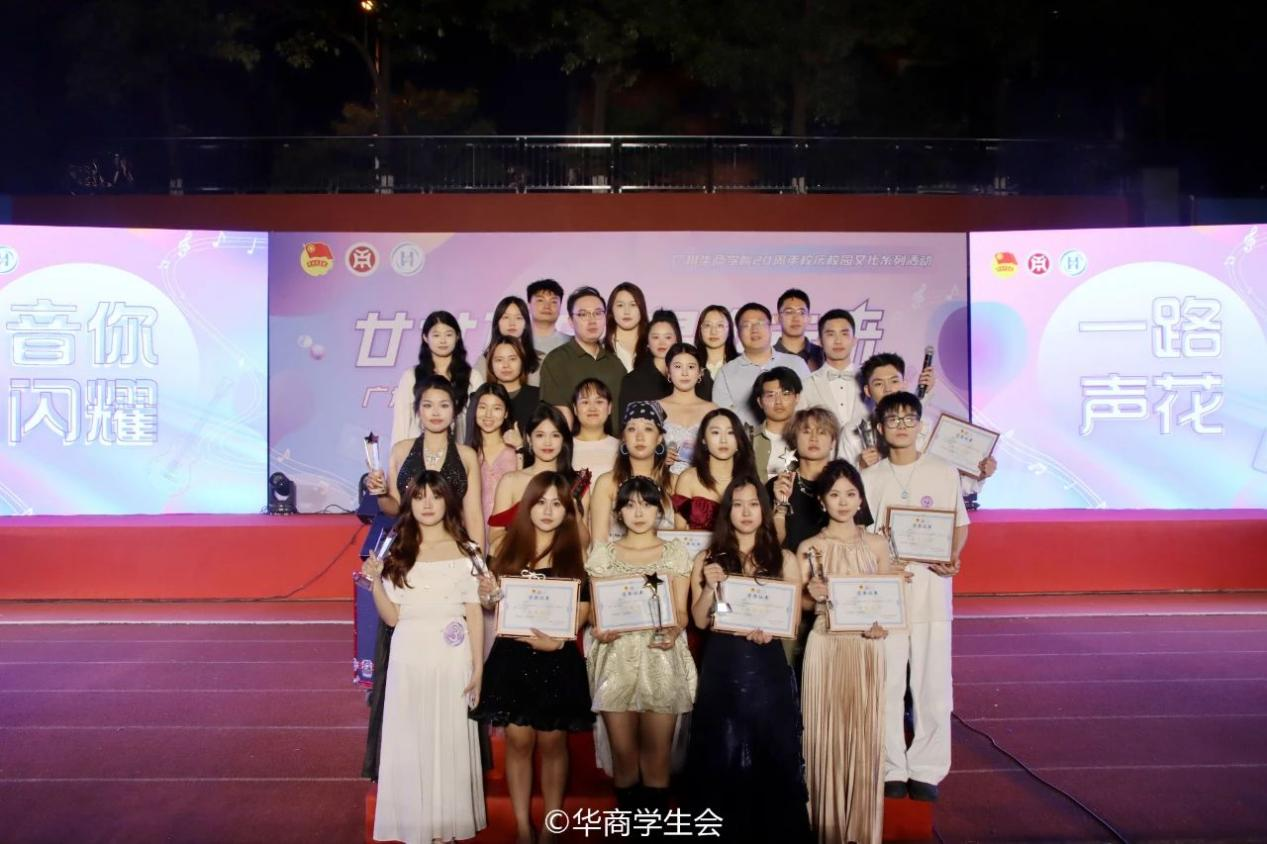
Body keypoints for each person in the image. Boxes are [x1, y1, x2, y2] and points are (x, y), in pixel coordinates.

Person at [361, 471, 488, 844]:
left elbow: (475, 611)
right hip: (409, 654)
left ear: (448, 501)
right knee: (412, 738)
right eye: (419, 497)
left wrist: (478, 668)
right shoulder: (397, 549)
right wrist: (374, 582)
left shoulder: (468, 550)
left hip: (453, 656)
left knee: (449, 739)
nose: (428, 504)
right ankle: (416, 828)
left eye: (435, 496)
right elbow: (392, 617)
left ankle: (445, 830)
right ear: (409, 503)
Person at [684, 479, 811, 843]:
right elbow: (699, 620)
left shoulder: (784, 559)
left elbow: (792, 621)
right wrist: (709, 587)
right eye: (738, 505)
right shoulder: (707, 559)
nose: (746, 512)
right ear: (728, 512)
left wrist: (772, 631)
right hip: (722, 667)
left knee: (771, 753)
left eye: (753, 504)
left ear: (764, 511)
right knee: (720, 755)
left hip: (766, 668)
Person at [470, 473, 595, 844]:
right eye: (541, 502)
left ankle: (551, 827)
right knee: (519, 741)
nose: (548, 510)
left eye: (557, 504)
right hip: (513, 659)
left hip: (557, 658)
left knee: (554, 744)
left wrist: (557, 642)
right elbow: (491, 603)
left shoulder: (575, 552)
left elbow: (584, 607)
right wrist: (488, 594)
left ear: (568, 511)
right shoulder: (507, 548)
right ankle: (524, 825)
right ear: (527, 506)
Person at [860, 392, 970, 804]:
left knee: (933, 683)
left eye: (909, 418)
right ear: (880, 428)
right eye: (893, 419)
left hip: (932, 589)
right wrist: (881, 565)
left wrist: (953, 555)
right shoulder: (870, 478)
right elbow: (861, 536)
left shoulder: (943, 472)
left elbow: (959, 524)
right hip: (886, 593)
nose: (902, 425)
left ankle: (927, 767)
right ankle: (891, 765)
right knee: (886, 683)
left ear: (921, 425)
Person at [798, 460, 899, 844]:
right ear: (821, 501)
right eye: (834, 494)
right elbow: (801, 607)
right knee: (823, 739)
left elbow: (889, 602)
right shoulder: (810, 548)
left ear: (861, 499)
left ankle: (861, 830)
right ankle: (824, 829)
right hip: (824, 646)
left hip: (865, 648)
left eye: (850, 494)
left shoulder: (877, 545)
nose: (843, 501)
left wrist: (882, 625)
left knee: (864, 738)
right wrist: (811, 596)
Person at [586, 476, 698, 813]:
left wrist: (675, 629)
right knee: (623, 757)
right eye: (630, 504)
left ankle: (653, 828)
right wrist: (600, 629)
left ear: (659, 510)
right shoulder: (603, 555)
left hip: (660, 656)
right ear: (618, 512)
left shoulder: (674, 552)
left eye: (647, 504)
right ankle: (631, 827)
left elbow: (682, 612)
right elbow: (596, 613)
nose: (639, 512)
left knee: (657, 758)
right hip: (615, 658)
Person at [488, 405, 590, 546]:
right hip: (519, 558)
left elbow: (584, 543)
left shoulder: (577, 482)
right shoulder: (510, 481)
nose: (547, 442)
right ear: (529, 439)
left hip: (563, 558)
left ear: (564, 440)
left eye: (555, 435)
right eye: (540, 435)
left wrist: (575, 515)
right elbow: (495, 534)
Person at [539, 286, 625, 431]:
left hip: (614, 444)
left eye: (598, 313)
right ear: (571, 321)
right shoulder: (556, 361)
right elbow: (557, 419)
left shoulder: (615, 363)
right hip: (574, 444)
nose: (592, 320)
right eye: (583, 314)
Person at [712, 303, 811, 429]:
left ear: (771, 328)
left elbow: (809, 407)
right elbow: (722, 419)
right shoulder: (726, 373)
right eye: (746, 325)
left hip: (793, 437)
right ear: (738, 332)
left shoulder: (797, 363)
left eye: (760, 323)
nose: (754, 329)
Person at [589, 401, 677, 542]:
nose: (639, 437)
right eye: (631, 429)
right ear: (624, 437)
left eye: (648, 429)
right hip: (614, 556)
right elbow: (598, 543)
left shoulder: (675, 483)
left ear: (659, 438)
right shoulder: (607, 483)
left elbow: (686, 539)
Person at [392, 311, 473, 447]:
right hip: (416, 454)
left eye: (448, 334)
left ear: (457, 336)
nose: (443, 340)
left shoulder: (472, 376)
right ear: (425, 337)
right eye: (436, 335)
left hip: (460, 452)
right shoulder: (411, 376)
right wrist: (397, 455)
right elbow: (401, 423)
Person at [798, 308, 869, 463]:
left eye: (844, 334)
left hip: (868, 467)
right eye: (830, 334)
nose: (838, 341)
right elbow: (800, 432)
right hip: (822, 469)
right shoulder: (806, 385)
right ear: (819, 341)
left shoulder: (871, 381)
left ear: (854, 340)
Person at [672, 408, 756, 531]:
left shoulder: (749, 481)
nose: (723, 440)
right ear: (704, 439)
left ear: (739, 440)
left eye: (731, 433)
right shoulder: (688, 479)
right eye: (716, 432)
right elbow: (679, 532)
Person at [617, 309, 710, 422]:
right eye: (655, 337)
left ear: (677, 339)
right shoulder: (632, 381)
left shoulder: (698, 375)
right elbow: (626, 423)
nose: (662, 343)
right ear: (647, 342)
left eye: (668, 337)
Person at [769, 407, 838, 553]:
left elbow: (858, 541)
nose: (813, 438)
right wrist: (780, 505)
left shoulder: (846, 484)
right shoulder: (777, 485)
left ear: (833, 442)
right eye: (806, 432)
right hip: (788, 564)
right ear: (795, 440)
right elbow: (770, 545)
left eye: (821, 432)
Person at [855, 352, 937, 469]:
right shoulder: (853, 432)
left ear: (904, 384)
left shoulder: (926, 426)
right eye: (878, 383)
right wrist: (861, 467)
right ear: (867, 391)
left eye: (894, 381)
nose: (888, 389)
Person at [467, 383, 522, 546]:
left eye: (496, 408)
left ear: (506, 413)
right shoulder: (466, 453)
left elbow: (523, 494)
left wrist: (521, 449)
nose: (488, 415)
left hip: (509, 536)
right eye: (482, 407)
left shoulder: (516, 449)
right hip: (472, 536)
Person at [658, 342, 718, 476]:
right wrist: (658, 456)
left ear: (700, 372)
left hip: (702, 483)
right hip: (663, 482)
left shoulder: (712, 410)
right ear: (668, 371)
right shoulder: (655, 408)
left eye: (691, 367)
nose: (684, 373)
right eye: (678, 366)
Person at [470, 296, 541, 391]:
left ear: (526, 324)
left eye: (518, 318)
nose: (512, 323)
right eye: (506, 317)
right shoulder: (484, 361)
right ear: (497, 323)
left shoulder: (541, 360)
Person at [483, 336, 542, 437]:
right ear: (491, 365)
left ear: (522, 362)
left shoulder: (539, 397)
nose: (506, 365)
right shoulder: (479, 398)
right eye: (499, 360)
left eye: (512, 359)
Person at [751, 367, 802, 481]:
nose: (778, 401)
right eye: (770, 395)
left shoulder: (808, 437)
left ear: (797, 398)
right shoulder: (748, 439)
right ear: (760, 402)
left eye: (785, 394)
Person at [570, 378, 620, 480]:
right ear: (575, 408)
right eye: (585, 402)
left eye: (599, 402)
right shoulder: (564, 447)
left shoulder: (621, 449)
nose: (592, 408)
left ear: (609, 407)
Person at [774, 288, 825, 371]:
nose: (796, 318)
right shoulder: (768, 357)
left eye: (801, 312)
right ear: (778, 318)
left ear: (809, 318)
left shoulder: (823, 355)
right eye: (789, 312)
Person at [605, 282, 650, 372]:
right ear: (611, 310)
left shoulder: (653, 346)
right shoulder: (601, 349)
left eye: (633, 305)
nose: (626, 311)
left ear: (641, 309)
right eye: (620, 305)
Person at [693, 305, 739, 383]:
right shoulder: (690, 364)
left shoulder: (742, 364)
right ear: (700, 330)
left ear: (729, 330)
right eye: (707, 325)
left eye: (720, 325)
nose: (713, 332)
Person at [528, 278, 571, 355]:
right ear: (529, 305)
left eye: (553, 301)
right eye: (540, 300)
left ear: (560, 306)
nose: (547, 306)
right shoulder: (516, 341)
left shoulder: (572, 342)